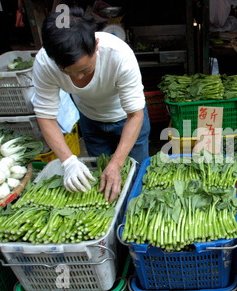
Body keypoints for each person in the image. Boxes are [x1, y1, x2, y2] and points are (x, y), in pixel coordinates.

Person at [32, 7, 150, 203]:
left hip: (128, 119)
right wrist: (69, 162)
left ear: (96, 45)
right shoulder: (45, 63)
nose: (77, 78)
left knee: (136, 180)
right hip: (90, 119)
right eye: (67, 72)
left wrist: (117, 164)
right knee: (100, 183)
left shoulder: (119, 55)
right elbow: (45, 115)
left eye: (85, 70)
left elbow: (135, 115)